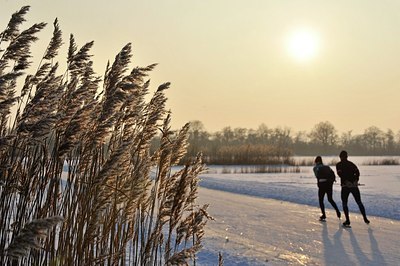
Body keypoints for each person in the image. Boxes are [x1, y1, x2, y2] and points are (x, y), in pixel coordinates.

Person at [336, 150, 370, 227]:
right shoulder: (351, 164)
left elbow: (340, 174)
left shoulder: (339, 165)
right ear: (347, 156)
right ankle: (365, 218)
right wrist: (355, 180)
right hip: (354, 186)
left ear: (340, 157)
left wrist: (347, 181)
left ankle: (347, 220)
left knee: (344, 203)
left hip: (345, 186)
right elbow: (357, 172)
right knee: (359, 202)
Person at [313, 156, 341, 221]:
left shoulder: (315, 168)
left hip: (322, 185)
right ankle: (337, 211)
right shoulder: (327, 167)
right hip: (329, 184)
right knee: (330, 199)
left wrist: (319, 184)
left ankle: (324, 215)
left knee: (321, 200)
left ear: (316, 161)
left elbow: (317, 177)